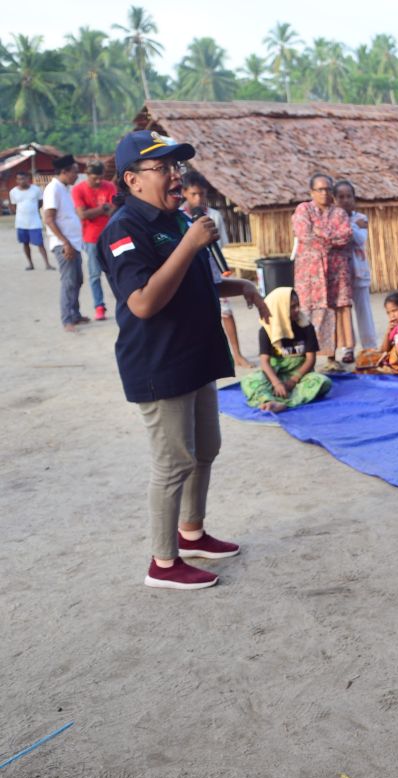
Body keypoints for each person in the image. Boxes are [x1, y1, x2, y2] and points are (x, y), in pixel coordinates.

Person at [100, 130, 268, 590]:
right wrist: (189, 244)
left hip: (194, 355)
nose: (176, 176)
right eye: (163, 168)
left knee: (205, 450)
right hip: (159, 363)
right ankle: (163, 562)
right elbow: (143, 303)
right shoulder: (124, 230)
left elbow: (192, 283)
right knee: (173, 463)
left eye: (177, 167)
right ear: (132, 179)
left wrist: (244, 287)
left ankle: (191, 532)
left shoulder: (175, 221)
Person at [181, 170, 252, 368]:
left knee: (226, 312)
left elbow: (223, 245)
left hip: (214, 268)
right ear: (184, 193)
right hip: (192, 271)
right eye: (193, 194)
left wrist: (225, 270)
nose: (198, 198)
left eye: (201, 194)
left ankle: (236, 354)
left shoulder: (214, 216)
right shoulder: (179, 217)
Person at [292, 174, 354, 369]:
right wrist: (330, 238)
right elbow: (304, 234)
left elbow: (345, 236)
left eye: (328, 189)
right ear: (312, 192)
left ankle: (330, 357)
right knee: (305, 313)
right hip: (309, 274)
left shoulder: (339, 213)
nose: (325, 193)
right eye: (320, 189)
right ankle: (304, 360)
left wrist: (319, 234)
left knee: (332, 313)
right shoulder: (303, 209)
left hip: (335, 273)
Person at [240, 287, 331, 412]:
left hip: (300, 376)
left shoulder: (305, 326)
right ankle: (269, 400)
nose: (297, 310)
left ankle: (283, 403)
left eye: (298, 305)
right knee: (250, 381)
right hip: (274, 376)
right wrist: (276, 383)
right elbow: (264, 362)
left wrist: (293, 380)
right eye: (292, 307)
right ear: (280, 309)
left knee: (322, 381)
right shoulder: (267, 329)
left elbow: (310, 359)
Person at [43, 154, 88, 332]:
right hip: (64, 245)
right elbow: (49, 219)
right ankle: (67, 318)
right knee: (69, 282)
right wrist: (65, 243)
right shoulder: (52, 189)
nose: (76, 175)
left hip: (74, 243)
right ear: (64, 172)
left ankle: (75, 314)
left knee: (77, 280)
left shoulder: (64, 188)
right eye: (74, 172)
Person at [72, 162, 117, 321]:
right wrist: (103, 208)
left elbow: (115, 210)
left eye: (100, 178)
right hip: (91, 239)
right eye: (94, 178)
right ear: (87, 174)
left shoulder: (109, 186)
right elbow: (83, 215)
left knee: (116, 272)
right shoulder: (78, 189)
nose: (98, 181)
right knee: (94, 275)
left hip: (111, 236)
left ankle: (122, 303)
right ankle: (99, 307)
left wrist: (98, 211)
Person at [335, 180, 377, 351]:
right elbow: (338, 240)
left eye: (348, 196)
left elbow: (359, 239)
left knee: (364, 311)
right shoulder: (335, 220)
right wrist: (352, 227)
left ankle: (369, 347)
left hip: (359, 272)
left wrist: (347, 227)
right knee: (345, 312)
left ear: (354, 198)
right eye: (341, 197)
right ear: (335, 199)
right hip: (339, 274)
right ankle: (348, 349)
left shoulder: (362, 218)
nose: (345, 200)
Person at [355, 293, 398, 375]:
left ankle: (383, 365)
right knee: (362, 356)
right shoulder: (396, 325)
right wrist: (388, 332)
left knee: (366, 362)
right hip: (393, 357)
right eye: (388, 313)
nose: (392, 315)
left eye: (394, 311)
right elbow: (384, 349)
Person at [9, 171, 51, 271]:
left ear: (28, 179)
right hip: (21, 223)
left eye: (24, 178)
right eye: (19, 179)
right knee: (25, 243)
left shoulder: (36, 190)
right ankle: (31, 264)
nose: (22, 181)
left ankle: (47, 264)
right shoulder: (13, 192)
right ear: (16, 180)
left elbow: (40, 203)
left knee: (40, 243)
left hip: (34, 222)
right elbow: (14, 206)